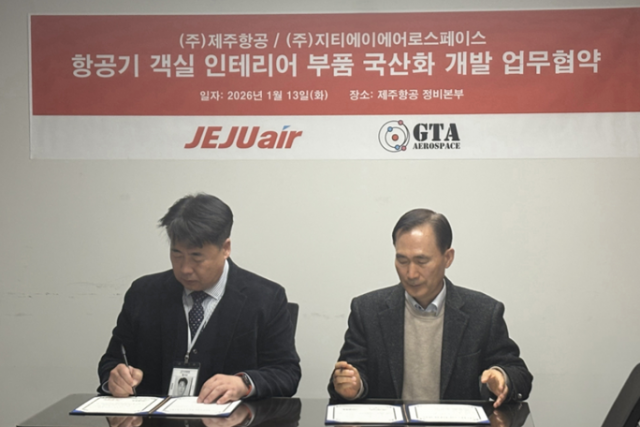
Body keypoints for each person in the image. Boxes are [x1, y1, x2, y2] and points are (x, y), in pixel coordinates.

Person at [98, 193, 300, 403]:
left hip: (230, 418)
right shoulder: (144, 294)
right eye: (177, 254)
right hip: (154, 417)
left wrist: (244, 383)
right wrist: (115, 378)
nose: (185, 269)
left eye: (197, 257)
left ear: (225, 248)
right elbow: (112, 360)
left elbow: (287, 373)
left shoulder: (266, 298)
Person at [329, 209, 532, 407]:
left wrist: (502, 377)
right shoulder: (367, 310)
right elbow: (346, 377)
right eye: (402, 261)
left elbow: (519, 375)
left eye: (422, 261)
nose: (411, 273)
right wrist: (352, 386)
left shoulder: (483, 312)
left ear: (448, 257)